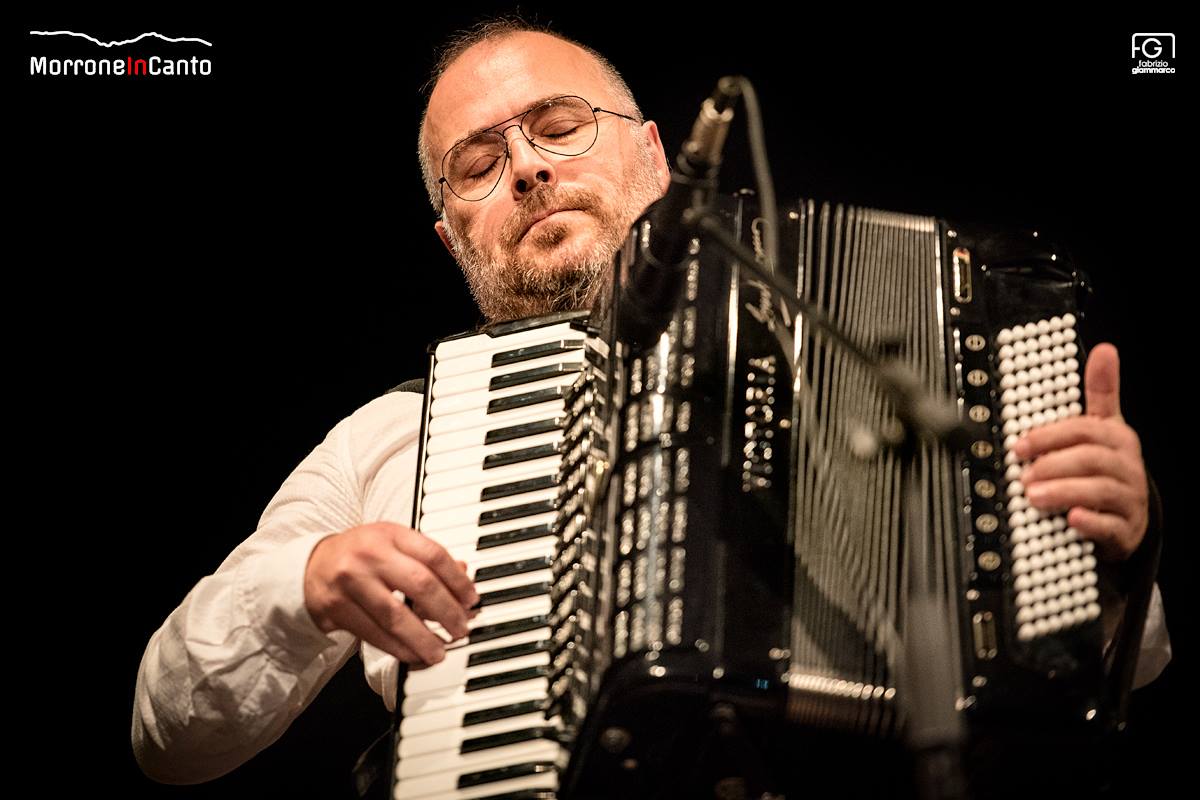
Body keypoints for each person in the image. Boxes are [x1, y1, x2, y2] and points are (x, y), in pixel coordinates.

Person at [131, 17, 1170, 787]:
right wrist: (304, 580)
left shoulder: (861, 345)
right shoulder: (390, 436)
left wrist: (1110, 554)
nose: (529, 168)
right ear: (452, 237)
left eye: (558, 125)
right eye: (478, 166)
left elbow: (1125, 665)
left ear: (654, 154)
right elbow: (166, 730)